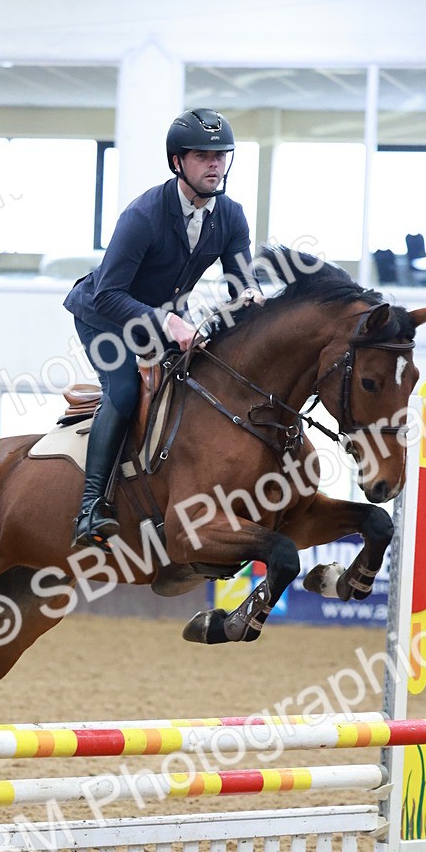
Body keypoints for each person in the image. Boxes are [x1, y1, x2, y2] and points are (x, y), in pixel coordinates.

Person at [64, 107, 260, 551]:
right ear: (177, 162)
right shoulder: (143, 216)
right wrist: (170, 321)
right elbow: (107, 295)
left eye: (221, 156)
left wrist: (260, 305)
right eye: (202, 156)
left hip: (164, 320)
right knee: (127, 390)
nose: (215, 165)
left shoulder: (230, 216)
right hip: (104, 315)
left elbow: (243, 285)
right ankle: (91, 506)